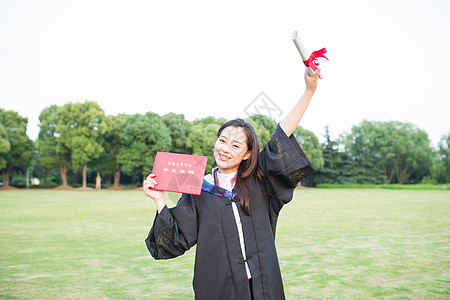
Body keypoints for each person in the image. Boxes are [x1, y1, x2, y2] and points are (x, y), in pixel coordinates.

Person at [144, 69, 321, 300]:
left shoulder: (260, 184)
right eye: (222, 141)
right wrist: (159, 199)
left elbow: (281, 136)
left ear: (248, 154)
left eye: (236, 146)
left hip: (263, 287)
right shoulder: (200, 188)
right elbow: (174, 240)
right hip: (220, 290)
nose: (226, 149)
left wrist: (309, 91)